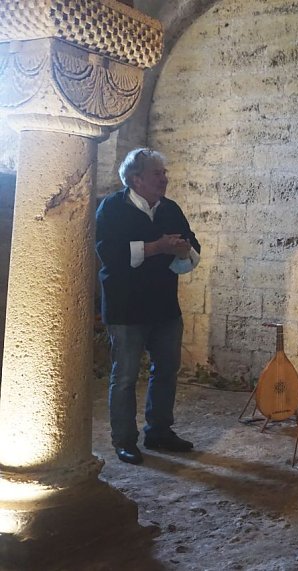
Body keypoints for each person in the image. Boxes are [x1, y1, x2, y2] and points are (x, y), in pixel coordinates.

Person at [96, 148, 201, 465]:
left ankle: (159, 432)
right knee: (125, 376)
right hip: (126, 307)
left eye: (164, 173)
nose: (164, 178)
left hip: (165, 305)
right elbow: (110, 256)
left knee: (167, 371)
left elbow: (194, 250)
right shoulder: (112, 209)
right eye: (158, 173)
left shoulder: (170, 209)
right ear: (135, 178)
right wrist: (157, 247)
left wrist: (183, 251)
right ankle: (124, 441)